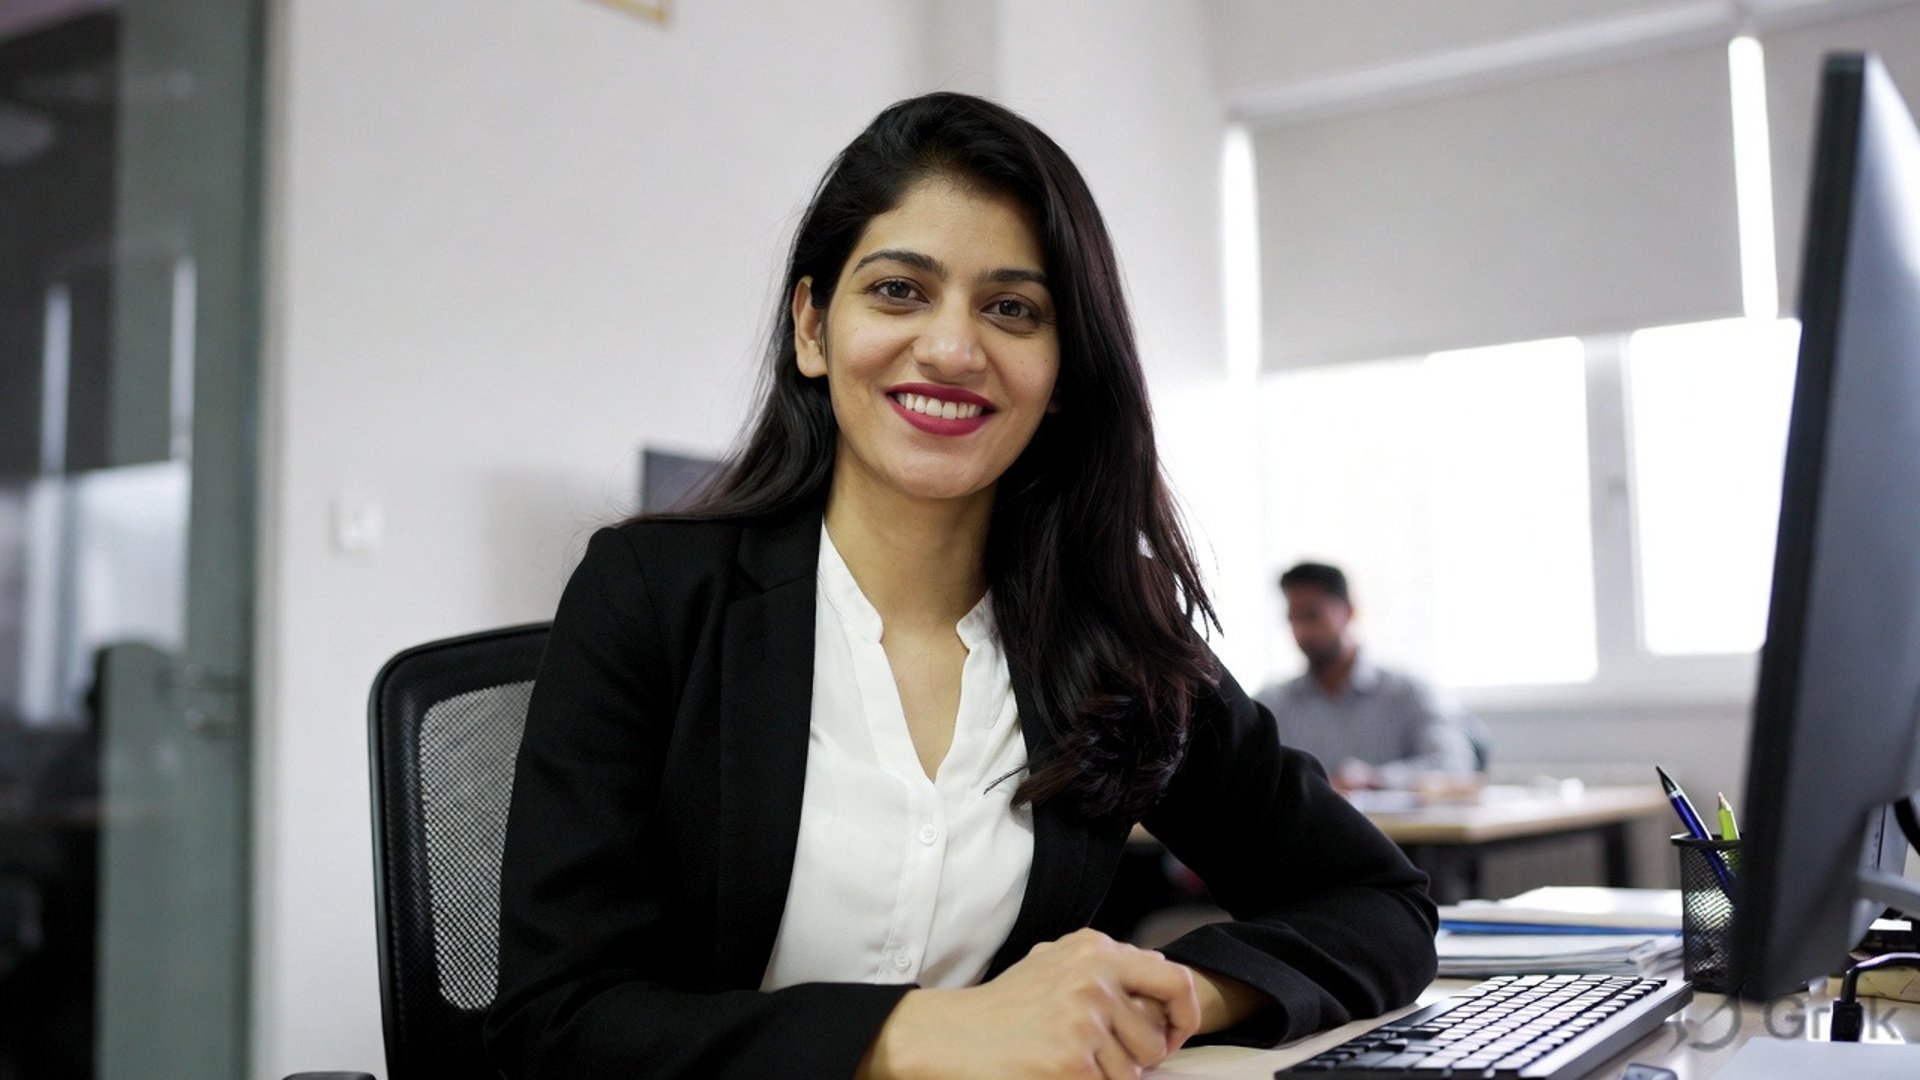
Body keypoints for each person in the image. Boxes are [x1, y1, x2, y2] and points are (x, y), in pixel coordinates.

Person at [485, 93, 1437, 1080]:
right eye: (900, 291)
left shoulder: (1110, 632)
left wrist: (1179, 995)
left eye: (1012, 309)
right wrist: (927, 1033)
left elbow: (1380, 905)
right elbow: (556, 1024)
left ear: (1063, 372)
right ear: (813, 328)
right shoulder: (650, 597)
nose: (951, 348)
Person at [1256, 562, 1484, 792]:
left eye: (1312, 615)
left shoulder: (1409, 694)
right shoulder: (1273, 705)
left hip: (1396, 828)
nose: (1301, 631)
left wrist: (1377, 779)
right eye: (1293, 619)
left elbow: (1455, 766)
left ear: (1349, 611)